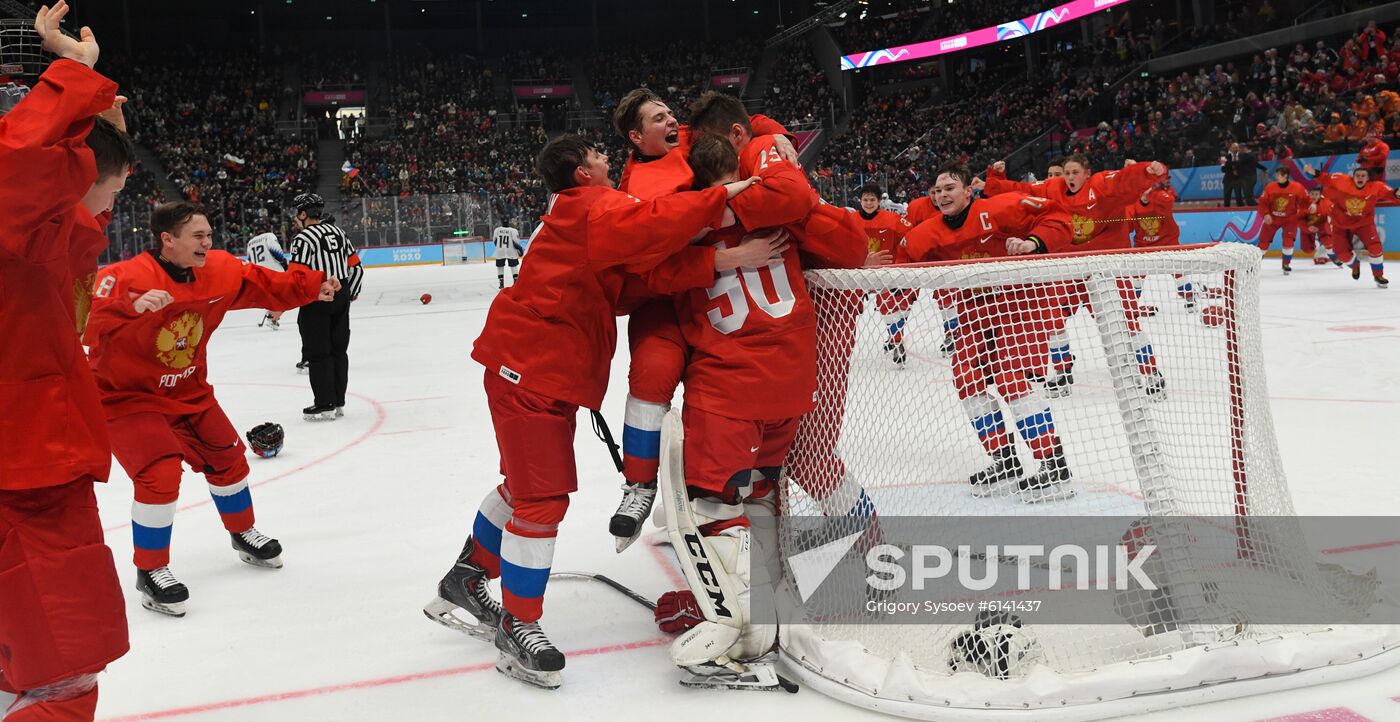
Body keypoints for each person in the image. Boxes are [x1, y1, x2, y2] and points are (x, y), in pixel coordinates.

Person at [421, 135, 761, 690]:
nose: (610, 162)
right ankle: (519, 623)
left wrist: (717, 259)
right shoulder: (592, 205)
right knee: (542, 496)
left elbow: (633, 282)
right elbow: (655, 220)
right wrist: (725, 197)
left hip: (533, 369)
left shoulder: (581, 217)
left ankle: (466, 576)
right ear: (582, 172)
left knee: (523, 484)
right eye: (601, 156)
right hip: (528, 371)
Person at [84, 202, 338, 616]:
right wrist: (130, 306)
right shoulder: (125, 277)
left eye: (209, 234)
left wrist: (311, 285)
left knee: (229, 459)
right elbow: (80, 320)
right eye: (198, 235)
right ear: (168, 240)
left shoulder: (218, 270)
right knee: (160, 474)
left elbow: (263, 284)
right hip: (126, 397)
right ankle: (150, 570)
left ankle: (243, 534)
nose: (209, 242)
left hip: (189, 391)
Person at [0, 4, 132, 717]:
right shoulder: (16, 202)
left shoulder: (36, 239)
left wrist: (96, 109)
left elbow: (71, 236)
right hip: (26, 474)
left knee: (30, 669)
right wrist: (72, 77)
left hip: (28, 467)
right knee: (61, 676)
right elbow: (19, 167)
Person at [607, 87, 796, 553]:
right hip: (667, 294)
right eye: (658, 118)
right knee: (651, 377)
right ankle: (639, 485)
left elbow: (741, 119)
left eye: (670, 113)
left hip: (708, 292)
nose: (671, 122)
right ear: (635, 136)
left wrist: (776, 134)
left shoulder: (687, 139)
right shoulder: (631, 191)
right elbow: (644, 270)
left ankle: (713, 503)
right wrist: (725, 258)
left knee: (719, 404)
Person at [896, 163, 1077, 502]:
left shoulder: (1001, 206)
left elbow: (1058, 216)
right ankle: (1005, 461)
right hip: (974, 310)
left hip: (1019, 303)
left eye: (950, 187)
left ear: (969, 191)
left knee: (1012, 380)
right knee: (966, 379)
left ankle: (1055, 466)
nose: (942, 194)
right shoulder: (925, 233)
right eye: (937, 189)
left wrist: (1033, 243)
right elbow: (902, 265)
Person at [983, 154, 1169, 398]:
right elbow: (1022, 191)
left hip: (1103, 268)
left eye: (1075, 172)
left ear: (1087, 173)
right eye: (1067, 173)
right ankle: (1062, 374)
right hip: (1067, 267)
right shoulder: (1053, 188)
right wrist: (995, 180)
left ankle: (1152, 374)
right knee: (1053, 321)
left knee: (1126, 323)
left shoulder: (1101, 185)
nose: (1070, 177)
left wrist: (1149, 170)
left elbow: (1124, 179)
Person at [287, 192, 364, 420]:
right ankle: (338, 401)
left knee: (318, 353)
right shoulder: (339, 232)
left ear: (303, 213)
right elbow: (356, 267)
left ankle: (324, 403)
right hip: (341, 295)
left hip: (316, 298)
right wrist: (351, 292)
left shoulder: (303, 238)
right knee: (339, 350)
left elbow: (296, 274)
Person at [1304, 163, 1400, 288]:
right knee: (1342, 254)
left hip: (1364, 223)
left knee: (1375, 247)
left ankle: (1378, 275)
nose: (1360, 178)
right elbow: (1326, 179)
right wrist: (1313, 172)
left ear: (1368, 178)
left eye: (1363, 176)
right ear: (1352, 177)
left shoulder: (1376, 186)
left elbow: (1391, 195)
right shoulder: (1341, 180)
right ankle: (1355, 265)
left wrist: (1398, 193)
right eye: (1357, 175)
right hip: (1341, 223)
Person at [856, 183, 915, 363]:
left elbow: (910, 237)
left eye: (872, 199)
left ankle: (896, 340)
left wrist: (900, 266)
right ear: (860, 201)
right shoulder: (851, 219)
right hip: (859, 273)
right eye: (865, 200)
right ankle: (895, 337)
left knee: (892, 307)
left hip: (887, 271)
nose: (868, 203)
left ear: (879, 201)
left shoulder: (892, 219)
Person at [1129, 180, 1196, 311]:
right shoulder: (1132, 204)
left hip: (1168, 243)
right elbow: (1127, 225)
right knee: (1136, 277)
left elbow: (1168, 201)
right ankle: (1130, 305)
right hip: (1143, 246)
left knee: (1179, 273)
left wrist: (1153, 194)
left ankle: (1190, 298)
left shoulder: (1163, 197)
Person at [1256, 166, 1310, 274]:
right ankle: (1254, 265)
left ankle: (1286, 263)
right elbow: (1262, 203)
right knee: (1263, 243)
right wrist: (1266, 214)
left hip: (1290, 220)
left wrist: (1309, 208)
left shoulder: (1298, 187)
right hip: (1272, 219)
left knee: (1288, 241)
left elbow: (1306, 201)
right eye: (1276, 174)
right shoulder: (1270, 187)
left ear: (1285, 176)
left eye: (1278, 175)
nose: (1276, 177)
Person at [246, 231, 290, 328]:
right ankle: (272, 318)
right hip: (274, 272)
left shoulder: (250, 242)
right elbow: (277, 252)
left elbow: (249, 261)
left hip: (260, 275)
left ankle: (272, 316)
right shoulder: (269, 236)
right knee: (287, 297)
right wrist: (285, 265)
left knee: (274, 298)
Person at [1301, 187, 1340, 266]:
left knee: (1328, 240)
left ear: (1320, 195)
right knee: (1307, 249)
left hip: (1323, 225)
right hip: (1309, 226)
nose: (1314, 196)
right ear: (1309, 194)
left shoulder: (1327, 204)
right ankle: (1319, 246)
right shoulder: (1303, 204)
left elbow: (1336, 215)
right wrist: (1307, 227)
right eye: (1312, 194)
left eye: (1316, 194)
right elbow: (1299, 219)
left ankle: (1331, 255)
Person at [491, 225, 523, 289]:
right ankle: (515, 281)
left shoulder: (497, 230)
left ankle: (501, 283)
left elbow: (494, 241)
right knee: (513, 266)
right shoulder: (513, 230)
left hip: (500, 250)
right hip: (511, 250)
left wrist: (499, 247)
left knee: (500, 267)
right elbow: (516, 242)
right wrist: (520, 249)